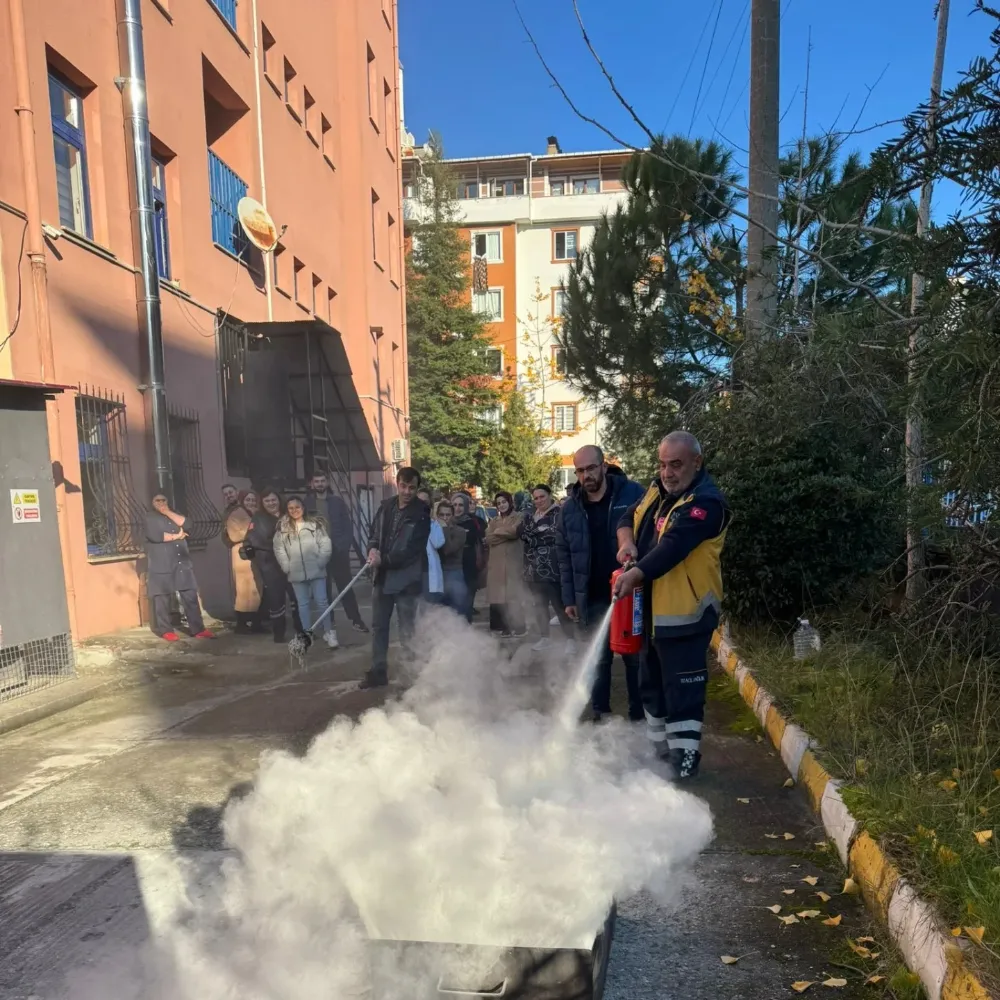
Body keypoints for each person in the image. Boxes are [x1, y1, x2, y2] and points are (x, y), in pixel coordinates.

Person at [614, 431, 732, 780]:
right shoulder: (657, 491)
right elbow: (626, 520)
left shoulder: (707, 504)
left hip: (686, 613)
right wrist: (626, 544)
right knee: (650, 685)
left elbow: (675, 546)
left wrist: (636, 573)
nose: (667, 473)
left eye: (676, 465)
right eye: (663, 464)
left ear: (697, 462)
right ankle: (658, 755)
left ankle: (684, 759)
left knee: (683, 690)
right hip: (651, 613)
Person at [555, 445, 646, 722]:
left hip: (630, 593)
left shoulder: (632, 495)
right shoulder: (569, 509)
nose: (586, 475)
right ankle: (600, 715)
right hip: (592, 594)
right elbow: (564, 557)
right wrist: (569, 598)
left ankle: (638, 716)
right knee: (599, 658)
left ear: (603, 466)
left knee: (635, 658)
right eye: (580, 471)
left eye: (591, 468)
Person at [363, 467, 431, 689]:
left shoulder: (422, 512)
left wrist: (386, 560)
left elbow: (413, 550)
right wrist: (372, 550)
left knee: (406, 629)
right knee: (379, 627)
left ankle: (411, 676)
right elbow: (373, 534)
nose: (407, 491)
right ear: (397, 483)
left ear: (417, 488)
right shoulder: (386, 507)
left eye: (412, 487)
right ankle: (378, 671)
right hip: (382, 579)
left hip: (406, 581)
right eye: (404, 486)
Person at [145, 493, 215, 641]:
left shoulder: (174, 514)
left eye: (163, 500)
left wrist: (168, 512)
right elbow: (156, 537)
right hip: (162, 563)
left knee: (190, 595)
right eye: (157, 500)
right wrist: (178, 536)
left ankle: (198, 629)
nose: (160, 502)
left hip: (181, 563)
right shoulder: (150, 518)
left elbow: (187, 524)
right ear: (152, 502)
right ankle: (165, 630)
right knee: (162, 598)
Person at [306, 473, 369, 634]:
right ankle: (329, 623)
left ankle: (356, 620)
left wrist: (344, 546)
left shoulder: (337, 502)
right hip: (318, 552)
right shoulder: (307, 503)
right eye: (316, 481)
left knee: (345, 587)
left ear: (326, 482)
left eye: (322, 481)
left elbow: (348, 526)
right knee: (323, 590)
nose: (320, 484)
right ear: (312, 484)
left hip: (338, 551)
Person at [273, 496, 337, 648]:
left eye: (297, 507)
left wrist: (321, 562)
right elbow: (279, 548)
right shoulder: (283, 528)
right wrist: (286, 566)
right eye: (291, 508)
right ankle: (307, 634)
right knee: (303, 604)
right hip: (296, 573)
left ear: (303, 507)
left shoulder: (314, 524)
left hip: (316, 571)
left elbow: (325, 544)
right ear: (287, 510)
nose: (294, 510)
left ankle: (329, 632)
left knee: (322, 602)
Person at [520, 483, 575, 653]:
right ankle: (545, 638)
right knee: (539, 606)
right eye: (535, 498)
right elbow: (521, 533)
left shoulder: (559, 512)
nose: (538, 501)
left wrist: (533, 535)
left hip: (554, 567)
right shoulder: (531, 516)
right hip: (533, 569)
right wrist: (537, 533)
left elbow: (552, 534)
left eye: (542, 496)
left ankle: (571, 640)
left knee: (559, 605)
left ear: (550, 495)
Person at [243, 489, 294, 643]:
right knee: (276, 599)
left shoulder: (288, 514)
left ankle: (302, 629)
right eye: (267, 501)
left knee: (296, 598)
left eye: (273, 500)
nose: (271, 503)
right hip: (270, 563)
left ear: (279, 500)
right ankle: (279, 634)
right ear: (262, 503)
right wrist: (278, 544)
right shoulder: (258, 519)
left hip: (292, 562)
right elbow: (254, 540)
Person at [484, 491, 526, 637]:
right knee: (500, 598)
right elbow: (488, 539)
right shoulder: (493, 520)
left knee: (514, 597)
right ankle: (506, 627)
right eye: (499, 503)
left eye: (504, 502)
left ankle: (520, 627)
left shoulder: (519, 516)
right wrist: (504, 534)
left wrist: (498, 532)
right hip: (497, 565)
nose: (501, 505)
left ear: (510, 502)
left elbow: (515, 532)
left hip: (513, 563)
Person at [223, 490, 264, 634]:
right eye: (248, 500)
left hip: (253, 554)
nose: (251, 502)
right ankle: (242, 623)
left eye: (253, 500)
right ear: (242, 500)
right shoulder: (236, 514)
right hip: (242, 554)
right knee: (244, 590)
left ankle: (255, 623)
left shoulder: (256, 513)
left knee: (255, 590)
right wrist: (253, 532)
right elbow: (234, 535)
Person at [452, 491, 485, 622]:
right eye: (454, 505)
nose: (457, 508)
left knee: (467, 603)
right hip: (451, 567)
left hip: (469, 565)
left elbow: (478, 540)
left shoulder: (473, 522)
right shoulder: (446, 522)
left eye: (461, 505)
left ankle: (467, 635)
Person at [435, 500, 469, 614]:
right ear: (437, 515)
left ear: (452, 516)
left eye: (448, 515)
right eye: (442, 515)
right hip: (438, 573)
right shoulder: (433, 530)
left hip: (454, 573)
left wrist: (444, 528)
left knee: (458, 610)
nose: (445, 518)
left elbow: (448, 550)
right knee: (440, 611)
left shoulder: (460, 531)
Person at [417, 488, 446, 605]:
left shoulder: (434, 524)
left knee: (430, 609)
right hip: (413, 573)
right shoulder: (408, 522)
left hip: (428, 573)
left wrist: (428, 521)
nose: (423, 505)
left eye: (426, 502)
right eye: (420, 501)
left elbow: (437, 543)